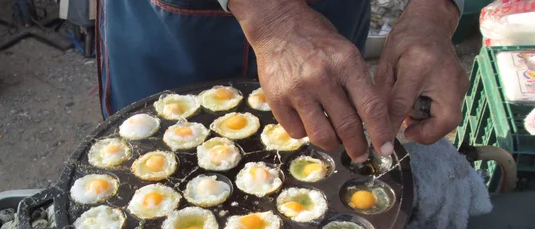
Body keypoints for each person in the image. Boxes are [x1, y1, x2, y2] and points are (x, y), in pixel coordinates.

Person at [96, 0, 468, 162]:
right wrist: (270, 14)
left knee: (327, 148)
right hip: (180, 28)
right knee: (151, 155)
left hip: (330, 13)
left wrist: (433, 13)